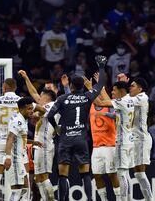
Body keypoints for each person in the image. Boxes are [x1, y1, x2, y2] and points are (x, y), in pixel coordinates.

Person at [47, 55, 106, 201]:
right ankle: (90, 200)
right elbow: (100, 84)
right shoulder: (87, 97)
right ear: (82, 86)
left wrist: (57, 127)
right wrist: (102, 67)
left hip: (66, 139)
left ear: (71, 86)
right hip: (81, 139)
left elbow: (49, 115)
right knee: (85, 174)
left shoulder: (62, 98)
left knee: (62, 174)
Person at [19, 70, 68, 200]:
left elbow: (39, 109)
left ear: (47, 97)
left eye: (41, 95)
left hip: (46, 145)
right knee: (38, 177)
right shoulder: (46, 103)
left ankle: (51, 199)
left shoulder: (53, 105)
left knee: (44, 176)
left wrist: (29, 105)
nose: (39, 96)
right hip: (39, 145)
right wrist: (26, 78)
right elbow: (33, 93)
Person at [93, 81, 136, 201]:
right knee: (126, 174)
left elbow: (100, 102)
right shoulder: (131, 100)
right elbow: (118, 115)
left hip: (122, 142)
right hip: (131, 140)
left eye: (114, 90)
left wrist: (90, 89)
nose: (112, 92)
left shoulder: (121, 101)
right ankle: (128, 199)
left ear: (121, 91)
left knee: (122, 174)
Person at [83, 74, 121, 201]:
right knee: (97, 175)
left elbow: (113, 113)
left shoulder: (110, 104)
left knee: (112, 174)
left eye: (97, 91)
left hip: (110, 145)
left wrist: (101, 86)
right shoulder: (90, 107)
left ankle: (119, 199)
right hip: (96, 146)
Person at [4, 97, 43, 201]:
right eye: (29, 109)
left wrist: (33, 142)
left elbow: (20, 138)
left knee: (25, 190)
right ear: (22, 109)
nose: (32, 112)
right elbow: (10, 138)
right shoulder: (18, 121)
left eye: (32, 109)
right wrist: (8, 157)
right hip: (15, 159)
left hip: (21, 158)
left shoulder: (23, 120)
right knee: (17, 191)